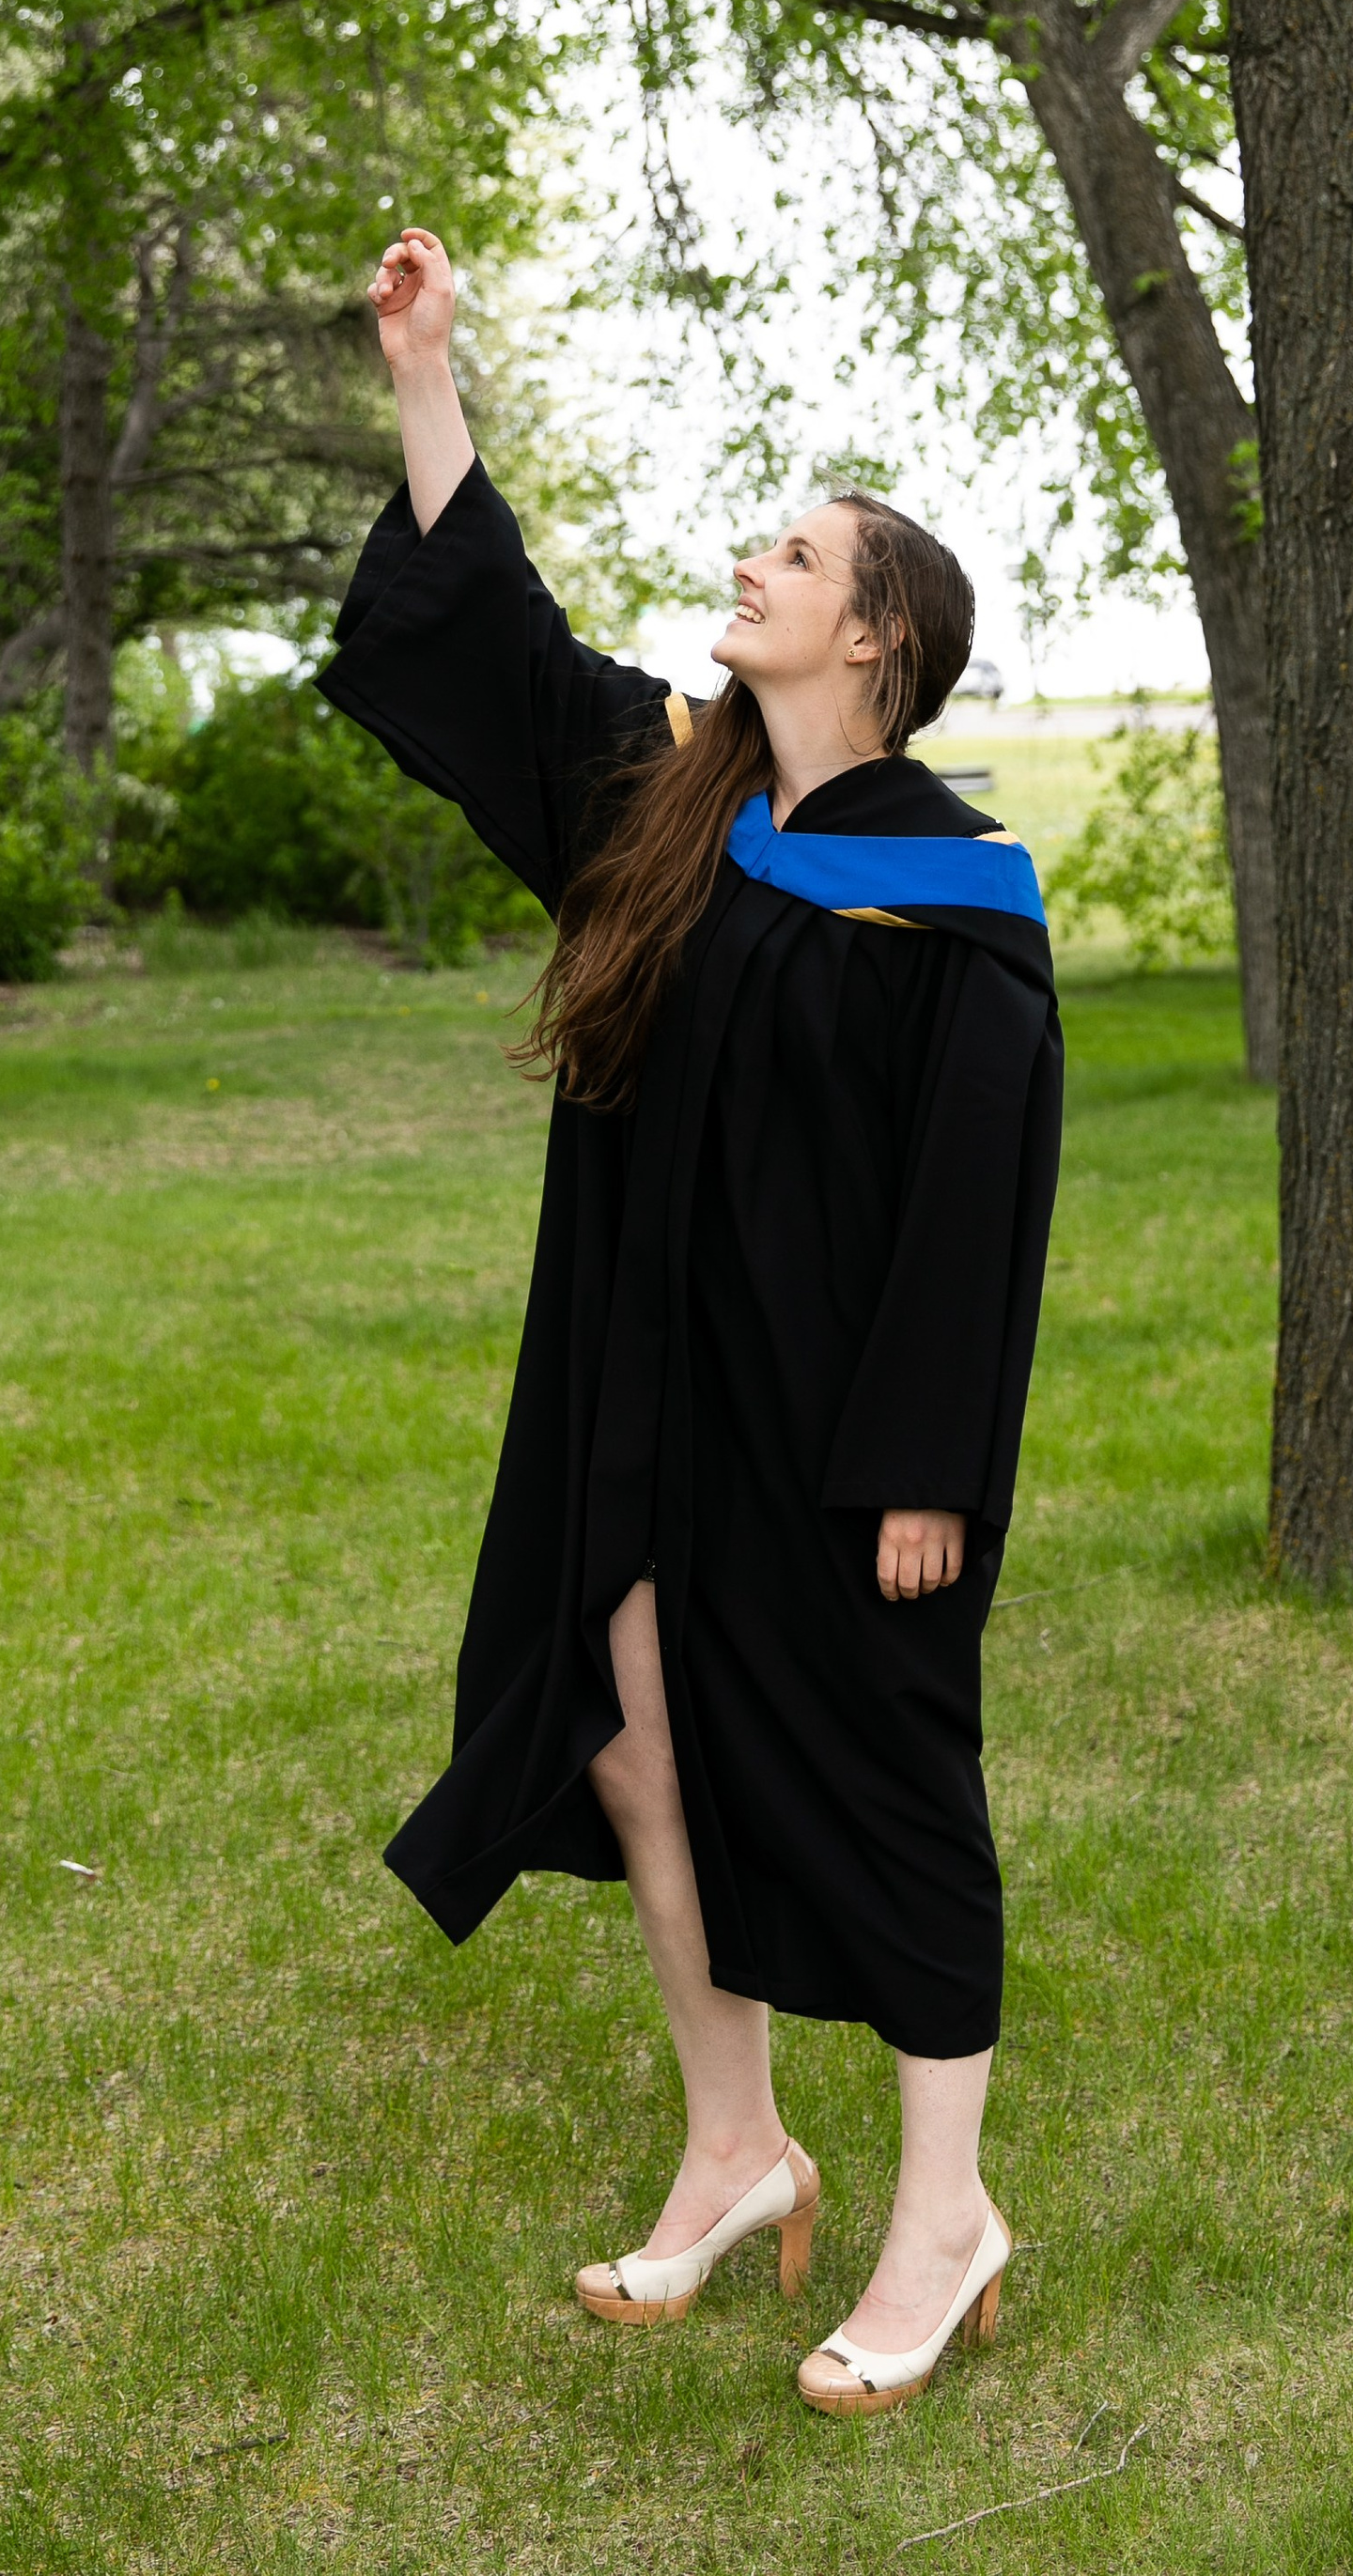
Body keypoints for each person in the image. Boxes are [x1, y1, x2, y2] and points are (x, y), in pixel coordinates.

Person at [319, 227, 1063, 2417]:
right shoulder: (677, 801)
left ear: (879, 633)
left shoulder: (955, 895)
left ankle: (947, 2215)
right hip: (648, 1393)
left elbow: (975, 1206)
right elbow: (496, 647)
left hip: (844, 1429)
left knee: (888, 1780)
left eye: (795, 552)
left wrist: (929, 1460)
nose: (748, 562)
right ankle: (734, 2147)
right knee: (629, 1739)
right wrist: (427, 374)